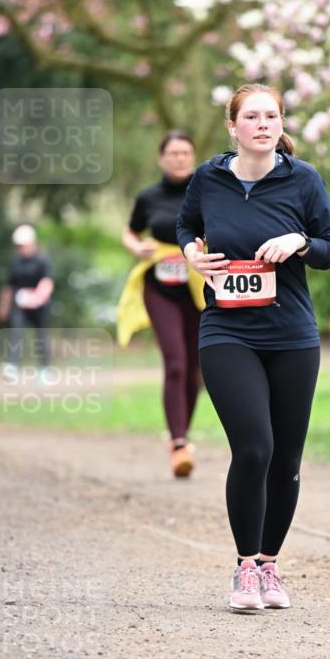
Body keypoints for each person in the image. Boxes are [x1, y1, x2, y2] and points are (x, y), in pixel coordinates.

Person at [176, 83, 330, 612]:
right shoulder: (209, 178)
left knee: (286, 458)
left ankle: (270, 565)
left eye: (272, 116)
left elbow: (329, 250)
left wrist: (300, 242)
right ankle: (245, 569)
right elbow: (187, 224)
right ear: (233, 127)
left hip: (292, 334)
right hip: (227, 330)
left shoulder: (303, 179)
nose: (263, 124)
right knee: (254, 448)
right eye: (252, 116)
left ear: (281, 124)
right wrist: (191, 256)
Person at [121, 131, 205, 478]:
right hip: (159, 287)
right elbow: (130, 230)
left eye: (185, 152)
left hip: (199, 287)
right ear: (161, 158)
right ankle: (180, 443)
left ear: (193, 156)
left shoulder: (206, 191)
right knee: (175, 361)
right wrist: (135, 247)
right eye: (172, 153)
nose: (179, 158)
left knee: (196, 370)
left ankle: (179, 437)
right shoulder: (148, 196)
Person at [0, 224, 54, 382]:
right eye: (18, 246)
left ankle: (45, 370)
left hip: (39, 307)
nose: (20, 248)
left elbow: (47, 283)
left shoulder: (42, 260)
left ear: (31, 243)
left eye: (22, 245)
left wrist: (35, 298)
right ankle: (12, 368)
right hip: (20, 307)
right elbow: (9, 285)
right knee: (16, 333)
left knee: (41, 337)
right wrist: (3, 306)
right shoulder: (15, 262)